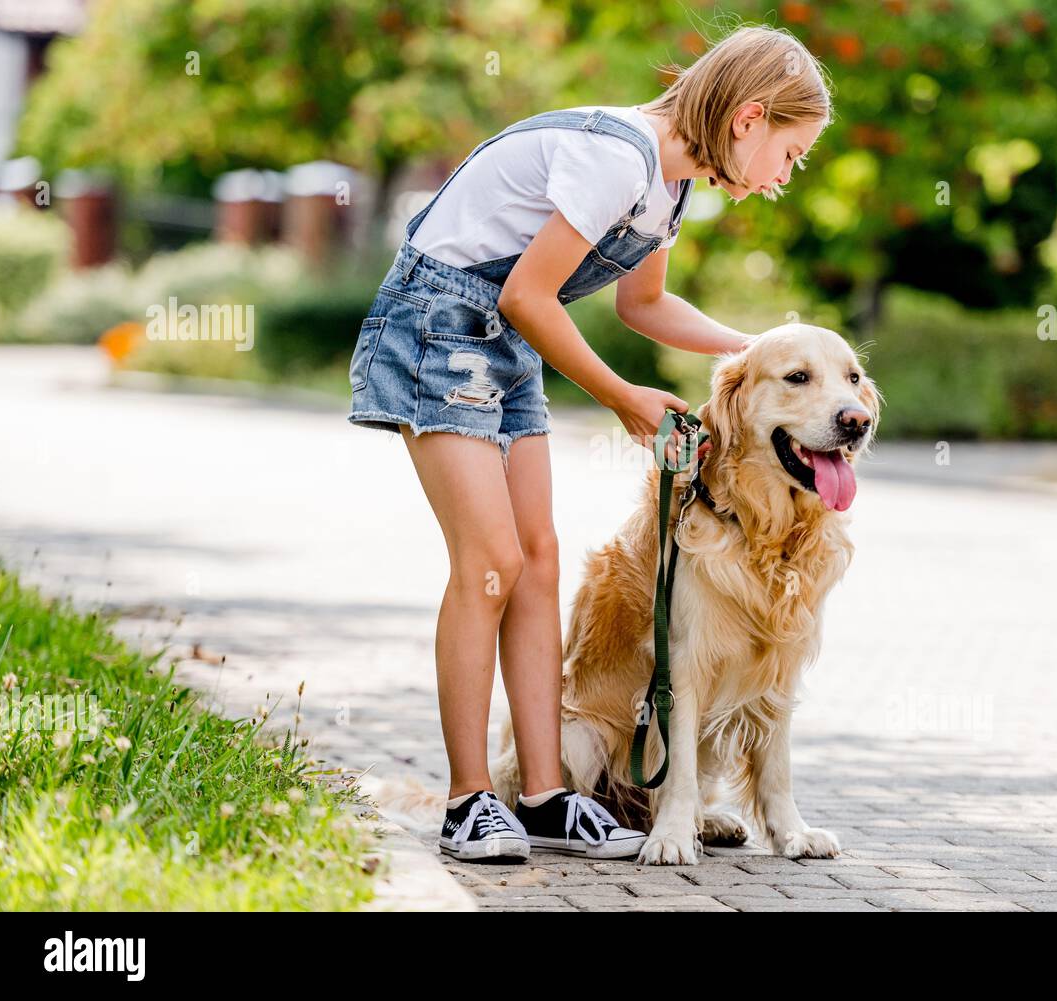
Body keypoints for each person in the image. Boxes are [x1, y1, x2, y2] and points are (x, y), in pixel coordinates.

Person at [347, 24, 832, 863]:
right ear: (749, 119)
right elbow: (535, 294)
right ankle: (468, 800)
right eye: (791, 154)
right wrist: (622, 398)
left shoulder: (673, 187)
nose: (787, 176)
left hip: (504, 334)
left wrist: (763, 360)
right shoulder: (620, 156)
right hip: (439, 323)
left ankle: (543, 795)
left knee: (538, 558)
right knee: (490, 560)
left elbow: (643, 306)